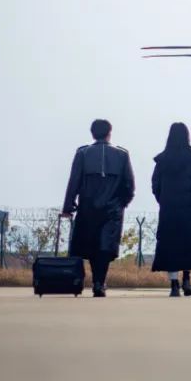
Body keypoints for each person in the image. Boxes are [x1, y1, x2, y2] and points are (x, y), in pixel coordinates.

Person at [62, 119, 136, 297]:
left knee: (90, 245)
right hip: (112, 209)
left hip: (88, 207)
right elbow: (129, 184)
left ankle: (94, 281)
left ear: (92, 133)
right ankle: (99, 282)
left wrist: (68, 206)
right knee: (104, 247)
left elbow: (74, 181)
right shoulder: (122, 155)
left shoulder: (83, 153)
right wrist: (121, 204)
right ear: (109, 133)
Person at [151, 122, 191, 297]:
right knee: (188, 244)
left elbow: (155, 184)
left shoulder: (162, 159)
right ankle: (187, 281)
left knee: (170, 245)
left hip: (168, 209)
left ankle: (174, 284)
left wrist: (163, 200)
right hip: (188, 209)